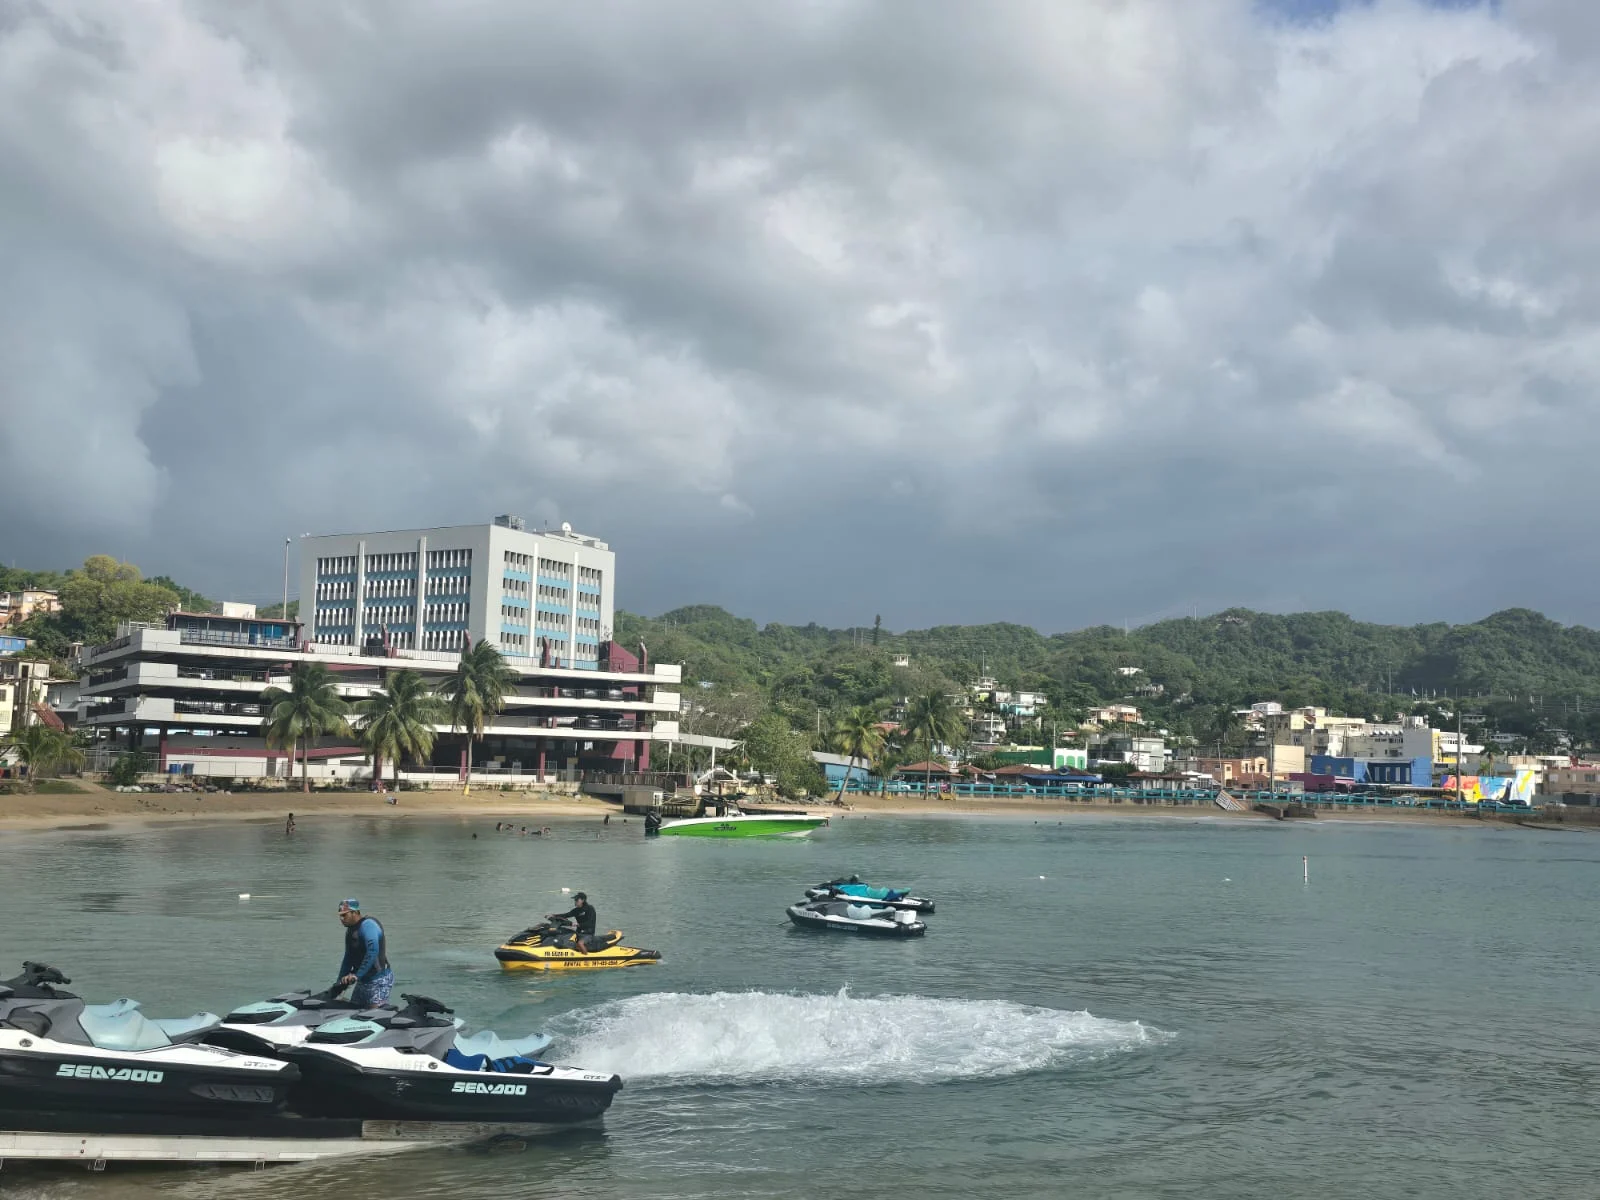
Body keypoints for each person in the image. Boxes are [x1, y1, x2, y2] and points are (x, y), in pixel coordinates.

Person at [336, 898, 393, 1006]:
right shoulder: (350, 931)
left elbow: (372, 951)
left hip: (379, 979)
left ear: (355, 912)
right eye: (340, 915)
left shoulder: (369, 926)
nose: (341, 919)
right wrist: (339, 983)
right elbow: (348, 958)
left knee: (373, 1014)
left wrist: (357, 975)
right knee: (353, 1010)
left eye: (344, 915)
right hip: (363, 979)